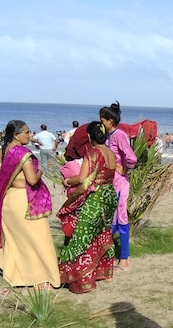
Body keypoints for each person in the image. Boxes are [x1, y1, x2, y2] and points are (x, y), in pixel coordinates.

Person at [0, 120, 60, 289]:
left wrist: (7, 185)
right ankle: (43, 278)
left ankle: (14, 277)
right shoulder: (23, 154)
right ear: (16, 135)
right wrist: (40, 172)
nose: (30, 135)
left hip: (9, 201)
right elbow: (32, 180)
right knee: (39, 239)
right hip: (26, 200)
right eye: (26, 132)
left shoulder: (1, 152)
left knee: (14, 242)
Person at [58, 121, 118, 293]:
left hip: (96, 198)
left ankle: (82, 280)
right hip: (109, 196)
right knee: (103, 232)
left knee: (82, 235)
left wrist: (67, 181)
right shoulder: (111, 153)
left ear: (90, 137)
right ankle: (105, 273)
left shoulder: (93, 153)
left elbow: (83, 179)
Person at [99, 101, 137, 271]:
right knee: (112, 218)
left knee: (120, 218)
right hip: (111, 182)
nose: (101, 124)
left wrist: (125, 168)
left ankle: (124, 258)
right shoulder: (109, 136)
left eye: (102, 121)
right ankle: (112, 256)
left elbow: (131, 157)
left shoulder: (119, 135)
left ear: (110, 121)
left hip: (120, 182)